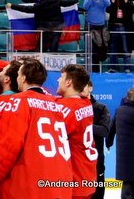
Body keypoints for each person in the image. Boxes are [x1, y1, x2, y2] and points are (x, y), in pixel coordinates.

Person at [0, 58, 73, 198]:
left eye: (18, 75)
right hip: (60, 181)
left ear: (22, 78)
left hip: (31, 183)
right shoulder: (56, 104)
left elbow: (11, 144)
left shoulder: (18, 101)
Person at [56, 64, 97, 198]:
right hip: (87, 175)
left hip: (74, 179)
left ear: (69, 82)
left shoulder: (67, 108)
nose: (58, 80)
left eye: (61, 77)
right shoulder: (86, 103)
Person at [6, 0, 78, 52]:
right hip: (57, 28)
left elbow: (27, 9)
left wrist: (12, 6)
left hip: (45, 28)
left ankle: (38, 64)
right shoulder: (57, 0)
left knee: (40, 48)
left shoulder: (40, 5)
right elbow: (67, 2)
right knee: (54, 48)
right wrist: (76, 0)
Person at [81, 81, 110, 199]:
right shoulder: (72, 107)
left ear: (90, 88)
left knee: (98, 193)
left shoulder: (101, 108)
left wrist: (85, 125)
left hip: (97, 159)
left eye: (83, 85)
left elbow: (104, 131)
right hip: (79, 159)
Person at [106, 88, 134, 199]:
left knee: (126, 189)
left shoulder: (119, 110)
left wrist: (108, 142)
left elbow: (111, 129)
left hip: (124, 160)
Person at [106, 0, 134, 72]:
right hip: (114, 27)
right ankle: (112, 68)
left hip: (125, 28)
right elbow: (108, 10)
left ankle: (127, 68)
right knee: (112, 49)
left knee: (126, 49)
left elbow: (132, 10)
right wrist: (113, 1)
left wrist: (126, 1)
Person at [84, 0, 111, 72]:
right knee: (91, 48)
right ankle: (92, 70)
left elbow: (108, 4)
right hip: (90, 25)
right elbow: (85, 7)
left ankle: (98, 68)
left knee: (101, 48)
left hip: (101, 25)